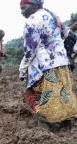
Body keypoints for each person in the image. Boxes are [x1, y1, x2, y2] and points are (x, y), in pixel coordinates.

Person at [19, 0, 77, 132]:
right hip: (62, 64)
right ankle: (66, 127)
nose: (22, 11)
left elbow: (30, 50)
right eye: (21, 9)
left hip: (43, 66)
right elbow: (66, 33)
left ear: (34, 5)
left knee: (34, 96)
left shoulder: (32, 21)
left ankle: (47, 130)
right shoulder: (51, 15)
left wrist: (22, 69)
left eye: (24, 8)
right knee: (62, 94)